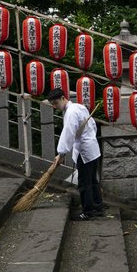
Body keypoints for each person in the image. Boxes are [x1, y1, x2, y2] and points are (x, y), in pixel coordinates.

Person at [45, 87, 103, 220]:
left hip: (85, 150)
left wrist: (61, 153)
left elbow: (68, 134)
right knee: (93, 180)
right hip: (92, 147)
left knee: (84, 183)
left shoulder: (71, 112)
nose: (55, 106)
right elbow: (92, 125)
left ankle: (88, 212)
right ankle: (98, 207)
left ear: (63, 98)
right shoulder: (79, 107)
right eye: (52, 104)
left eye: (55, 103)